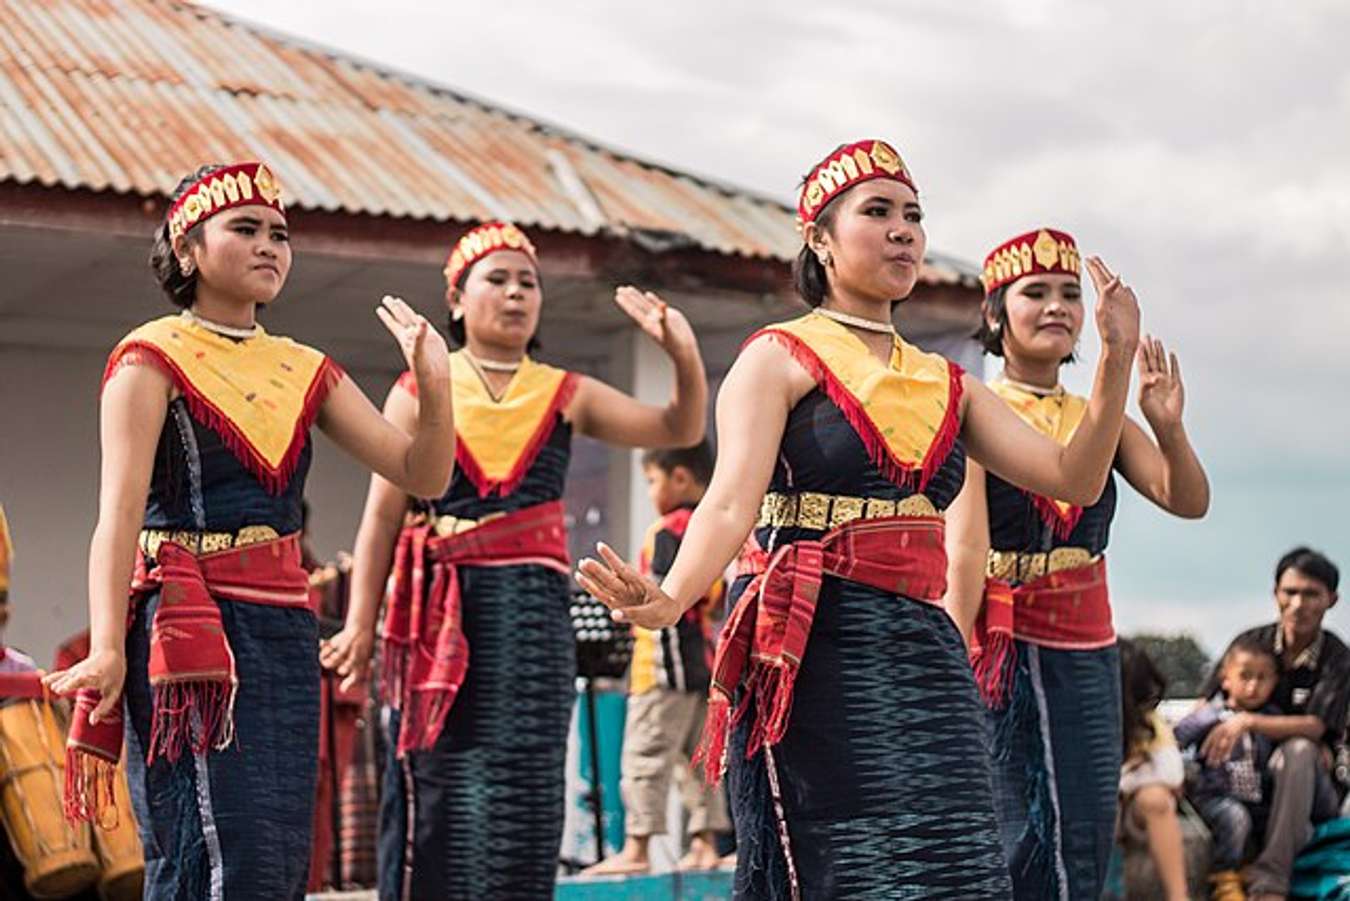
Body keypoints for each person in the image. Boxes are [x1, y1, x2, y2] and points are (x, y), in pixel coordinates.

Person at [577, 138, 1141, 898]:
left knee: (959, 861)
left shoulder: (950, 383)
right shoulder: (778, 357)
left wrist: (1114, 362)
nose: (904, 229)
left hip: (922, 644)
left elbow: (1073, 474)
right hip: (812, 644)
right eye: (877, 212)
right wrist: (673, 594)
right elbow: (729, 501)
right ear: (819, 238)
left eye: (913, 214)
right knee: (844, 863)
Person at [42, 161, 456, 901]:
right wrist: (107, 645)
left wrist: (435, 384)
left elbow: (421, 473)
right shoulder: (150, 358)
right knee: (205, 845)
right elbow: (118, 513)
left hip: (283, 632)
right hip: (189, 633)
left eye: (281, 234)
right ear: (188, 247)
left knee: (277, 852)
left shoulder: (306, 367)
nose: (270, 246)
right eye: (246, 229)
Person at [320, 221, 707, 899]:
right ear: (457, 299)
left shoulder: (564, 391)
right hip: (443, 612)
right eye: (496, 279)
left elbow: (680, 428)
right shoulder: (420, 387)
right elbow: (382, 514)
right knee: (440, 777)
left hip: (533, 615)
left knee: (527, 782)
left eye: (528, 281)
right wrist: (358, 623)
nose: (516, 292)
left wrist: (683, 354)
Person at [942, 227, 1210, 899]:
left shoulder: (1100, 416)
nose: (1057, 305)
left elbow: (1186, 499)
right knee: (1015, 819)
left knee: (1085, 821)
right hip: (1005, 642)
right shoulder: (977, 407)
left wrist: (1168, 426)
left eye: (1069, 293)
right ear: (996, 314)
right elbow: (966, 547)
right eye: (1035, 292)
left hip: (1089, 645)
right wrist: (950, 659)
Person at [586, 441, 729, 876]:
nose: (650, 490)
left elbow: (665, 593)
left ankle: (638, 845)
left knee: (644, 755)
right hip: (700, 663)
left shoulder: (668, 529)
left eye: (652, 480)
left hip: (663, 666)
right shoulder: (712, 531)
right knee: (695, 758)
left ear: (680, 477)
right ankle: (705, 842)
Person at [1198, 547, 1348, 901]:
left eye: (1311, 594)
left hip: (1311, 785)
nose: (1298, 604)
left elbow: (1315, 727)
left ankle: (1271, 883)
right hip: (1245, 775)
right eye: (1290, 592)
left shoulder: (1338, 658)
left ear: (1332, 600)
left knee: (1297, 750)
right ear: (1275, 594)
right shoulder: (1250, 645)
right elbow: (1207, 704)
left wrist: (1248, 721)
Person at [1174, 634, 1282, 900]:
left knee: (1269, 820)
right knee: (1234, 818)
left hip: (1256, 796)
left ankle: (1252, 869)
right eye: (1245, 676)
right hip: (1216, 795)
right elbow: (1176, 738)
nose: (1253, 686)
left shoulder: (1270, 719)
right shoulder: (1209, 715)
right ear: (1226, 679)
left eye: (1262, 678)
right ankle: (1224, 876)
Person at [1116, 639, 1189, 901]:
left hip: (1133, 808)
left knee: (1156, 798)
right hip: (1104, 806)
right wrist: (1130, 774)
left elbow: (1170, 774)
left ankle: (1178, 896)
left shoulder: (1149, 722)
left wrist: (1123, 780)